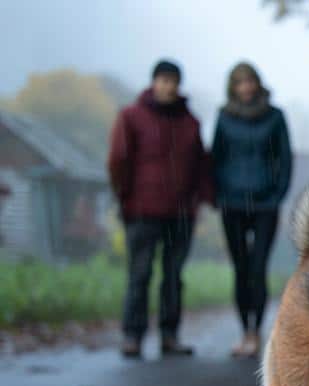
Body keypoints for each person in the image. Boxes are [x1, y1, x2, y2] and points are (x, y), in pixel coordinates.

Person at [108, 59, 212, 358]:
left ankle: (169, 335)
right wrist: (124, 196)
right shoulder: (131, 117)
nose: (168, 86)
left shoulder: (190, 123)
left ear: (179, 85)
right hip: (141, 209)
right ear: (153, 82)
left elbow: (200, 164)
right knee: (139, 274)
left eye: (173, 81)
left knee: (174, 276)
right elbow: (118, 159)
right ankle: (133, 336)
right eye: (163, 80)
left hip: (180, 213)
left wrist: (201, 199)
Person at [211, 62, 292, 358]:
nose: (245, 87)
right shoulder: (223, 117)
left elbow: (284, 158)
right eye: (239, 82)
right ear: (233, 87)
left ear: (257, 84)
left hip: (264, 204)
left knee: (258, 269)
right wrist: (219, 192)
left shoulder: (275, 117)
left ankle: (257, 331)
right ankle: (244, 329)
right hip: (231, 202)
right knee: (240, 269)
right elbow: (216, 156)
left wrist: (277, 194)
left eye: (249, 82)